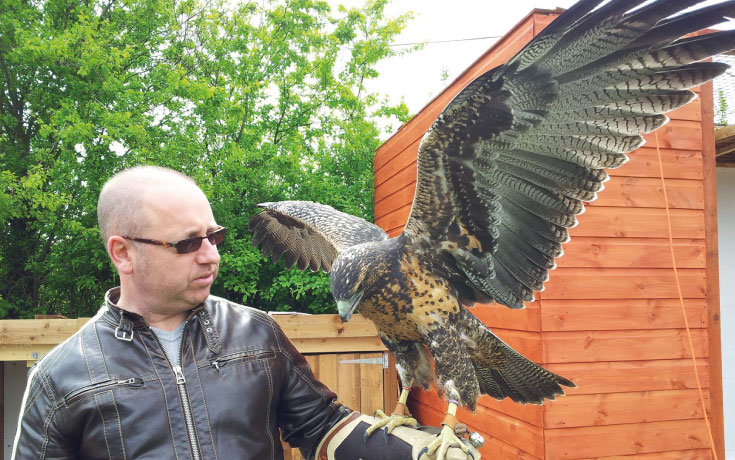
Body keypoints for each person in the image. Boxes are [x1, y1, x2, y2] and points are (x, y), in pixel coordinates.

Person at [10, 166, 479, 460]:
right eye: (187, 243)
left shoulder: (258, 335)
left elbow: (322, 427)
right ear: (123, 253)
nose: (211, 255)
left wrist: (412, 455)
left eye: (214, 237)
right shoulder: (60, 378)